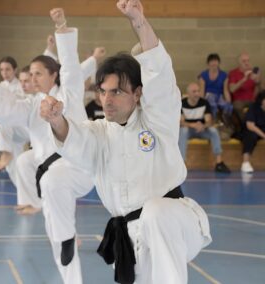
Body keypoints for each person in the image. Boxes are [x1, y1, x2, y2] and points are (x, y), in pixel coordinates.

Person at [40, 1, 212, 283]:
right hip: (130, 238)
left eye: (117, 91)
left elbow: (159, 75)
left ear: (137, 94)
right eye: (103, 91)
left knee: (156, 212)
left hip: (176, 222)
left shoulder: (157, 118)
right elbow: (74, 140)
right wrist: (56, 120)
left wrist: (138, 21)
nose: (107, 99)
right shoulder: (99, 133)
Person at [0, 8, 94, 283]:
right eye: (31, 74)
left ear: (53, 76)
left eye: (38, 74)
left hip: (79, 167)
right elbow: (7, 108)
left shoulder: (69, 93)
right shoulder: (31, 104)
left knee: (52, 186)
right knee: (55, 232)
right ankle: (69, 256)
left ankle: (69, 237)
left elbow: (71, 65)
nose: (33, 79)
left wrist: (62, 26)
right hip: (52, 176)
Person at [179, 82, 231, 173]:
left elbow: (209, 121)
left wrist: (203, 125)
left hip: (201, 130)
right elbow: (181, 122)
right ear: (188, 94)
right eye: (194, 91)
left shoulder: (204, 103)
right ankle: (181, 164)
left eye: (198, 91)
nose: (197, 94)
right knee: (183, 131)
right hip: (188, 130)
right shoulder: (181, 103)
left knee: (213, 131)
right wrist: (193, 125)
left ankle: (219, 163)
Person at [228, 52, 261, 126]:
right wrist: (244, 79)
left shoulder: (254, 71)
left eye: (248, 61)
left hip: (251, 99)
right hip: (239, 100)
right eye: (244, 61)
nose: (246, 63)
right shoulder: (233, 73)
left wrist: (257, 79)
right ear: (239, 63)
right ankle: (246, 126)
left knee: (259, 107)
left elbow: (259, 88)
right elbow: (232, 89)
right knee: (237, 108)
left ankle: (256, 127)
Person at [198, 53, 233, 121]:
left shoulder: (224, 75)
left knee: (228, 106)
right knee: (212, 104)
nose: (214, 63)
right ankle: (213, 121)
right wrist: (200, 103)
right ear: (208, 63)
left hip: (219, 96)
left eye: (216, 61)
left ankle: (225, 121)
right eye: (212, 61)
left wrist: (229, 102)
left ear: (219, 62)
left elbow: (225, 90)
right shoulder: (203, 75)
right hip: (208, 96)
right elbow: (202, 91)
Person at [241, 90, 265, 173]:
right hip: (251, 130)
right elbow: (250, 126)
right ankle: (245, 162)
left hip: (262, 131)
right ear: (262, 100)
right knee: (250, 136)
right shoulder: (253, 108)